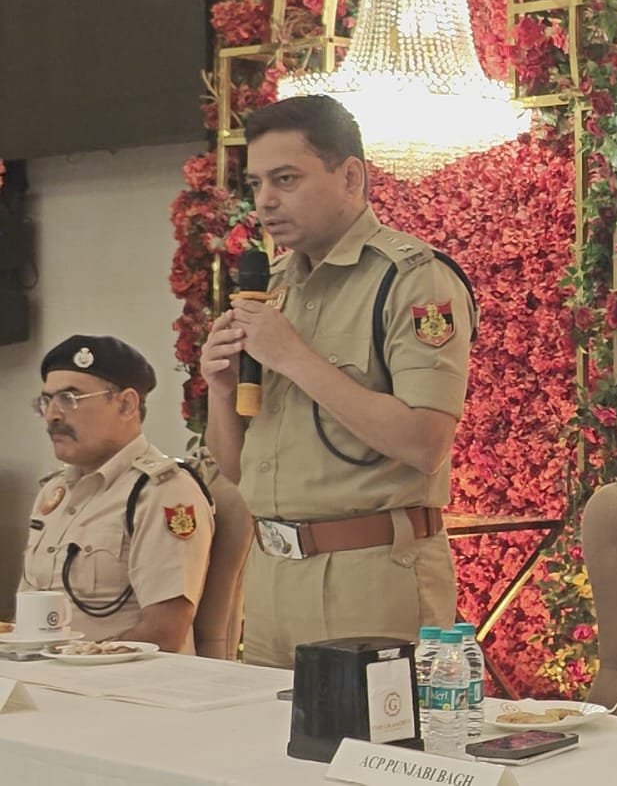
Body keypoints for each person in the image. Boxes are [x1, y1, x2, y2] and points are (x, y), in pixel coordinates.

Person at [199, 94, 475, 667]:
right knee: (264, 755)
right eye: (255, 184)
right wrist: (221, 391)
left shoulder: (412, 281)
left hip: (370, 575)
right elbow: (238, 469)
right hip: (272, 574)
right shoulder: (272, 288)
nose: (266, 201)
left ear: (350, 177)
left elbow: (424, 444)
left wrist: (295, 358)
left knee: (371, 755)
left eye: (286, 178)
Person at [25, 335, 215, 652]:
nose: (52, 415)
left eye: (69, 399)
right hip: (47, 678)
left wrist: (73, 662)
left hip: (119, 688)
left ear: (126, 404)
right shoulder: (53, 492)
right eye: (46, 402)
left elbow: (164, 632)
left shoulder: (162, 491)